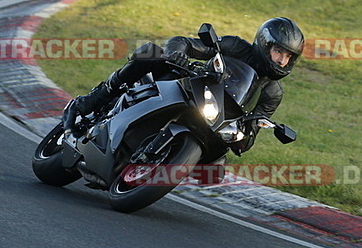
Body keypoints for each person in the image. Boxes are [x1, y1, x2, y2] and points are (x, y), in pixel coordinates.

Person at [61, 17, 305, 151]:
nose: (282, 61)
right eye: (278, 52)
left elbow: (249, 137)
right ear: (264, 44)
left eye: (288, 57)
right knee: (151, 53)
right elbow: (185, 43)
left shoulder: (273, 92)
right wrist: (176, 52)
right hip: (190, 86)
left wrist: (246, 134)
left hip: (215, 118)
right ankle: (93, 100)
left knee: (219, 156)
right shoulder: (235, 46)